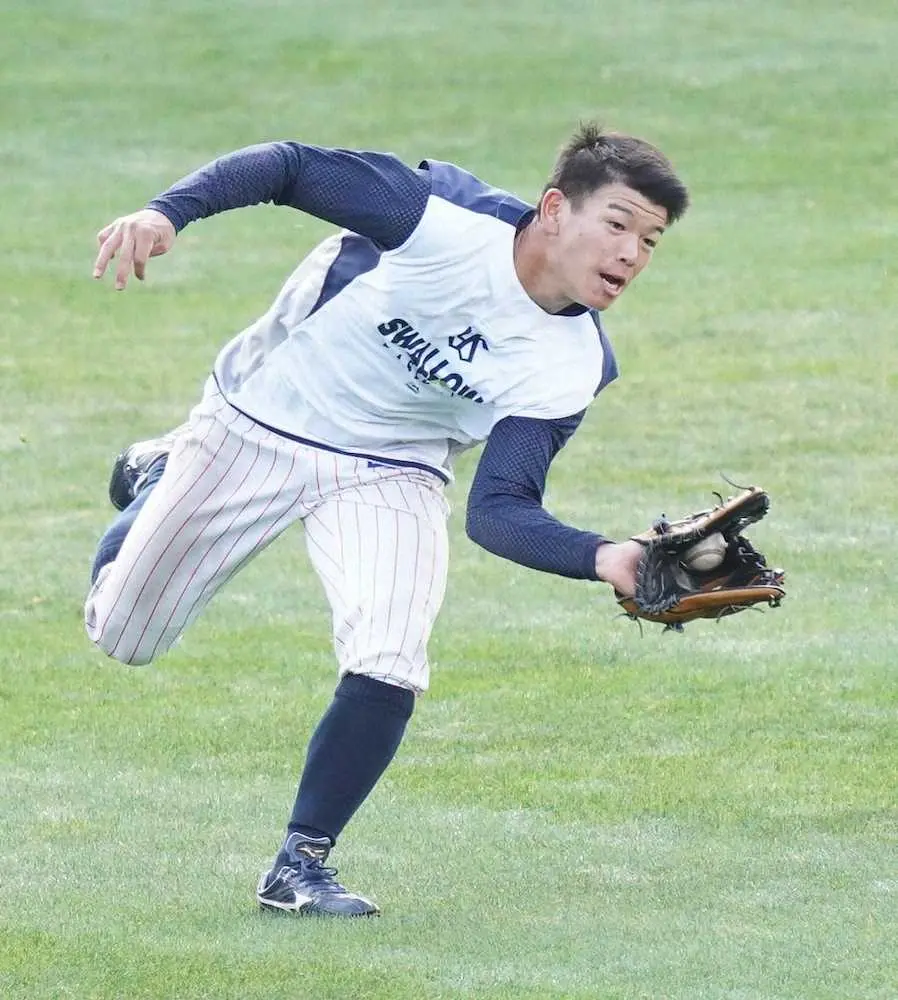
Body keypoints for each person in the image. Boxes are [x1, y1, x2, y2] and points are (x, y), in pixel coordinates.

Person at [86, 122, 689, 917]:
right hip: (265, 414)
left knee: (390, 652)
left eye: (649, 240)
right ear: (553, 209)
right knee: (126, 639)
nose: (631, 254)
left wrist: (605, 556)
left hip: (393, 466)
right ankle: (164, 475)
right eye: (617, 223)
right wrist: (169, 212)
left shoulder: (572, 365)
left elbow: (500, 510)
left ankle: (300, 865)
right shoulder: (439, 218)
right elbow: (292, 168)